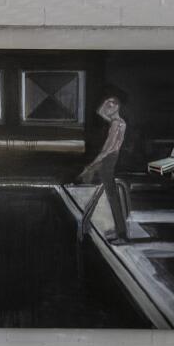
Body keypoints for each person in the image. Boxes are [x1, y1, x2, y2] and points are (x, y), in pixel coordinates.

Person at [77, 95, 128, 243]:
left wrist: (96, 160)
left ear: (117, 107)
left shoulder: (114, 125)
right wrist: (106, 102)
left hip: (108, 159)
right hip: (113, 158)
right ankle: (118, 231)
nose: (107, 108)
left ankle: (122, 235)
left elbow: (108, 148)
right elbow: (100, 112)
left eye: (111, 106)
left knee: (112, 197)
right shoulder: (120, 122)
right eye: (107, 105)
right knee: (105, 190)